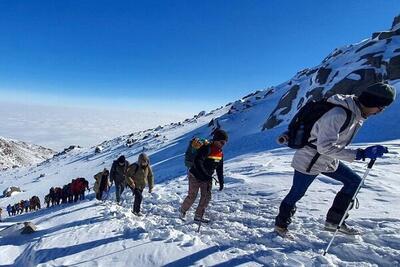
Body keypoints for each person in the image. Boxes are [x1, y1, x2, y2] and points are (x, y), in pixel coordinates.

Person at [274, 82, 396, 237]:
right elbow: (324, 147)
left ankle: (334, 221)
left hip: (328, 160)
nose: (379, 112)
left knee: (354, 182)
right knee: (296, 193)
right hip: (309, 161)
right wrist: (361, 154)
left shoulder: (355, 113)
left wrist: (363, 153)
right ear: (372, 102)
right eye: (380, 107)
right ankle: (280, 226)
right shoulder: (339, 114)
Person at [179, 129, 228, 223]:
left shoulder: (220, 153)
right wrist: (205, 174)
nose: (223, 144)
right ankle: (182, 211)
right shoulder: (207, 148)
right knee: (192, 196)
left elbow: (219, 168)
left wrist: (221, 181)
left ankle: (198, 216)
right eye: (222, 142)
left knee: (206, 197)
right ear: (216, 140)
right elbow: (198, 162)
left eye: (225, 143)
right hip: (195, 175)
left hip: (207, 178)